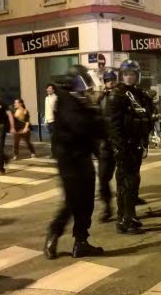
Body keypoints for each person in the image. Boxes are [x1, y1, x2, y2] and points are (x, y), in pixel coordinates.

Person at [44, 65, 106, 259]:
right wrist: (95, 111)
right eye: (83, 87)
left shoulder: (76, 103)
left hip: (82, 159)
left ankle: (81, 242)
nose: (87, 92)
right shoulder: (67, 103)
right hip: (70, 160)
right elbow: (83, 128)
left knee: (86, 202)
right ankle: (54, 234)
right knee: (72, 202)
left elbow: (98, 132)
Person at [105, 60, 152, 234]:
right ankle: (123, 219)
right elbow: (113, 124)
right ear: (121, 75)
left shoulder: (138, 94)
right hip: (124, 145)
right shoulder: (116, 95)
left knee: (133, 182)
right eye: (126, 74)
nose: (129, 77)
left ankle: (130, 214)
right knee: (125, 183)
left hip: (136, 144)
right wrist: (118, 147)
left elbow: (147, 115)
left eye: (132, 74)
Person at [97, 70, 118, 222]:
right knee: (104, 177)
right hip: (105, 143)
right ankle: (107, 207)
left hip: (119, 142)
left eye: (112, 80)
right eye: (108, 80)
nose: (110, 82)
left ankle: (127, 209)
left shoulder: (121, 96)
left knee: (125, 177)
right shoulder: (101, 98)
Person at [44, 84, 57, 159]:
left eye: (50, 88)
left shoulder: (56, 98)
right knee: (52, 138)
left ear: (53, 90)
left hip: (54, 121)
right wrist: (45, 120)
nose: (48, 90)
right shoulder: (46, 98)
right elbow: (46, 109)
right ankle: (53, 153)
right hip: (49, 121)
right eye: (47, 88)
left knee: (54, 138)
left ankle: (54, 153)